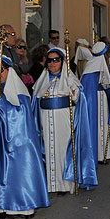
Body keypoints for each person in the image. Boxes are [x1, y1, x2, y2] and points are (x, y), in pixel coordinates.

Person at [0, 55, 49, 216]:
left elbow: (20, 116)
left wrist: (3, 106)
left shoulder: (19, 92)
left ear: (9, 70)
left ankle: (16, 203)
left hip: (12, 140)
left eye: (0, 70)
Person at [32, 47, 97, 193]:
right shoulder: (42, 80)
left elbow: (78, 98)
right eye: (49, 60)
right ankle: (51, 184)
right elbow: (36, 100)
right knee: (48, 150)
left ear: (62, 62)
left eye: (56, 60)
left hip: (63, 119)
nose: (52, 63)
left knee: (63, 150)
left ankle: (65, 184)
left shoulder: (69, 78)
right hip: (46, 120)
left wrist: (72, 86)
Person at [80, 42, 110, 163]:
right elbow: (107, 82)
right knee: (101, 124)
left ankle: (100, 154)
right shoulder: (99, 67)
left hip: (95, 99)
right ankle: (101, 155)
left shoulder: (89, 66)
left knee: (99, 124)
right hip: (99, 98)